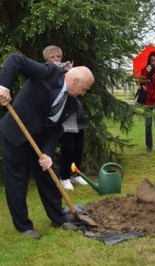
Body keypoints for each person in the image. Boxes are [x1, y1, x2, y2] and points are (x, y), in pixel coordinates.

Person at [0, 53, 94, 239]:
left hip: (40, 140)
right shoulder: (49, 73)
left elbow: (56, 130)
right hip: (15, 133)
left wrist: (48, 153)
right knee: (16, 181)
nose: (83, 94)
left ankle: (58, 218)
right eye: (83, 89)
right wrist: (3, 87)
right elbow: (16, 60)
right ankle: (24, 226)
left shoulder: (72, 105)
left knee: (49, 176)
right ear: (75, 80)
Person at [43, 45, 88, 190]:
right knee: (68, 146)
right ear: (46, 60)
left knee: (79, 145)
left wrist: (72, 73)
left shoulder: (68, 71)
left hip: (76, 112)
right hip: (64, 116)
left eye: (58, 57)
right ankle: (64, 177)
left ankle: (76, 174)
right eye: (52, 57)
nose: (56, 59)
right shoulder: (47, 73)